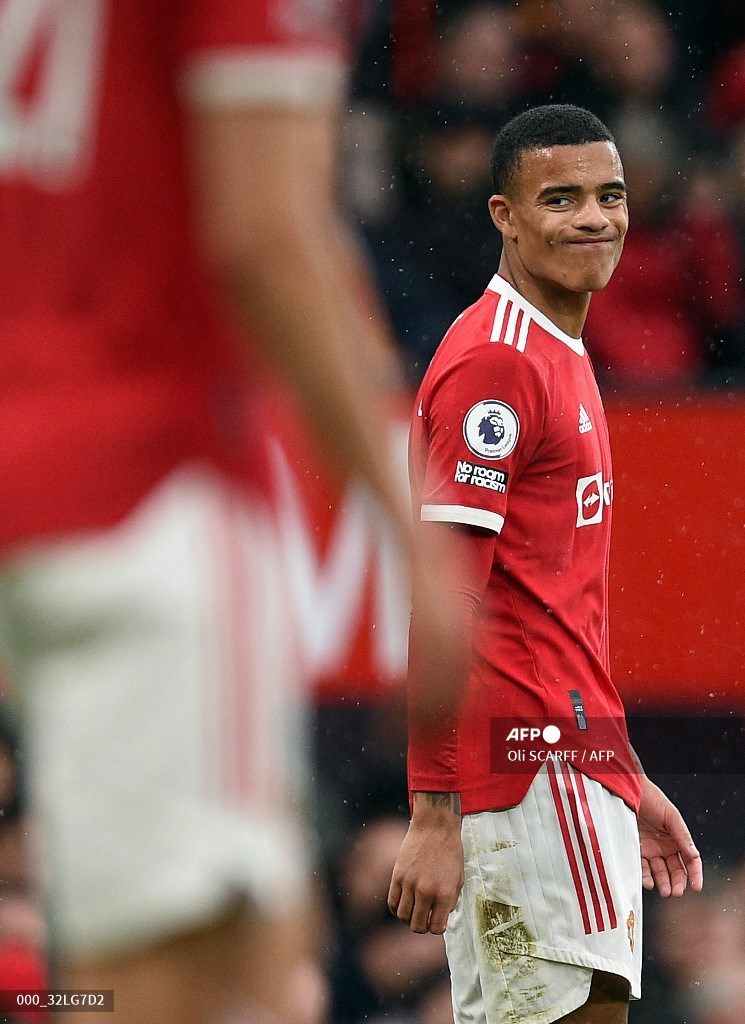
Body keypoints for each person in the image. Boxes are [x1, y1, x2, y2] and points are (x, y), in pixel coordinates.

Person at [0, 1, 463, 1022]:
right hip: (157, 484)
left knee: (211, 953)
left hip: (36, 473)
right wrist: (411, 533)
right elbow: (266, 236)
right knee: (196, 975)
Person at [388, 105, 702, 1024]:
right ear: (505, 215)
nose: (594, 218)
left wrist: (618, 771)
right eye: (560, 199)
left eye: (610, 195)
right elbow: (445, 596)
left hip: (564, 765)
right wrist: (433, 812)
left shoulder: (556, 347)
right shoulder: (498, 363)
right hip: (526, 779)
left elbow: (548, 614)